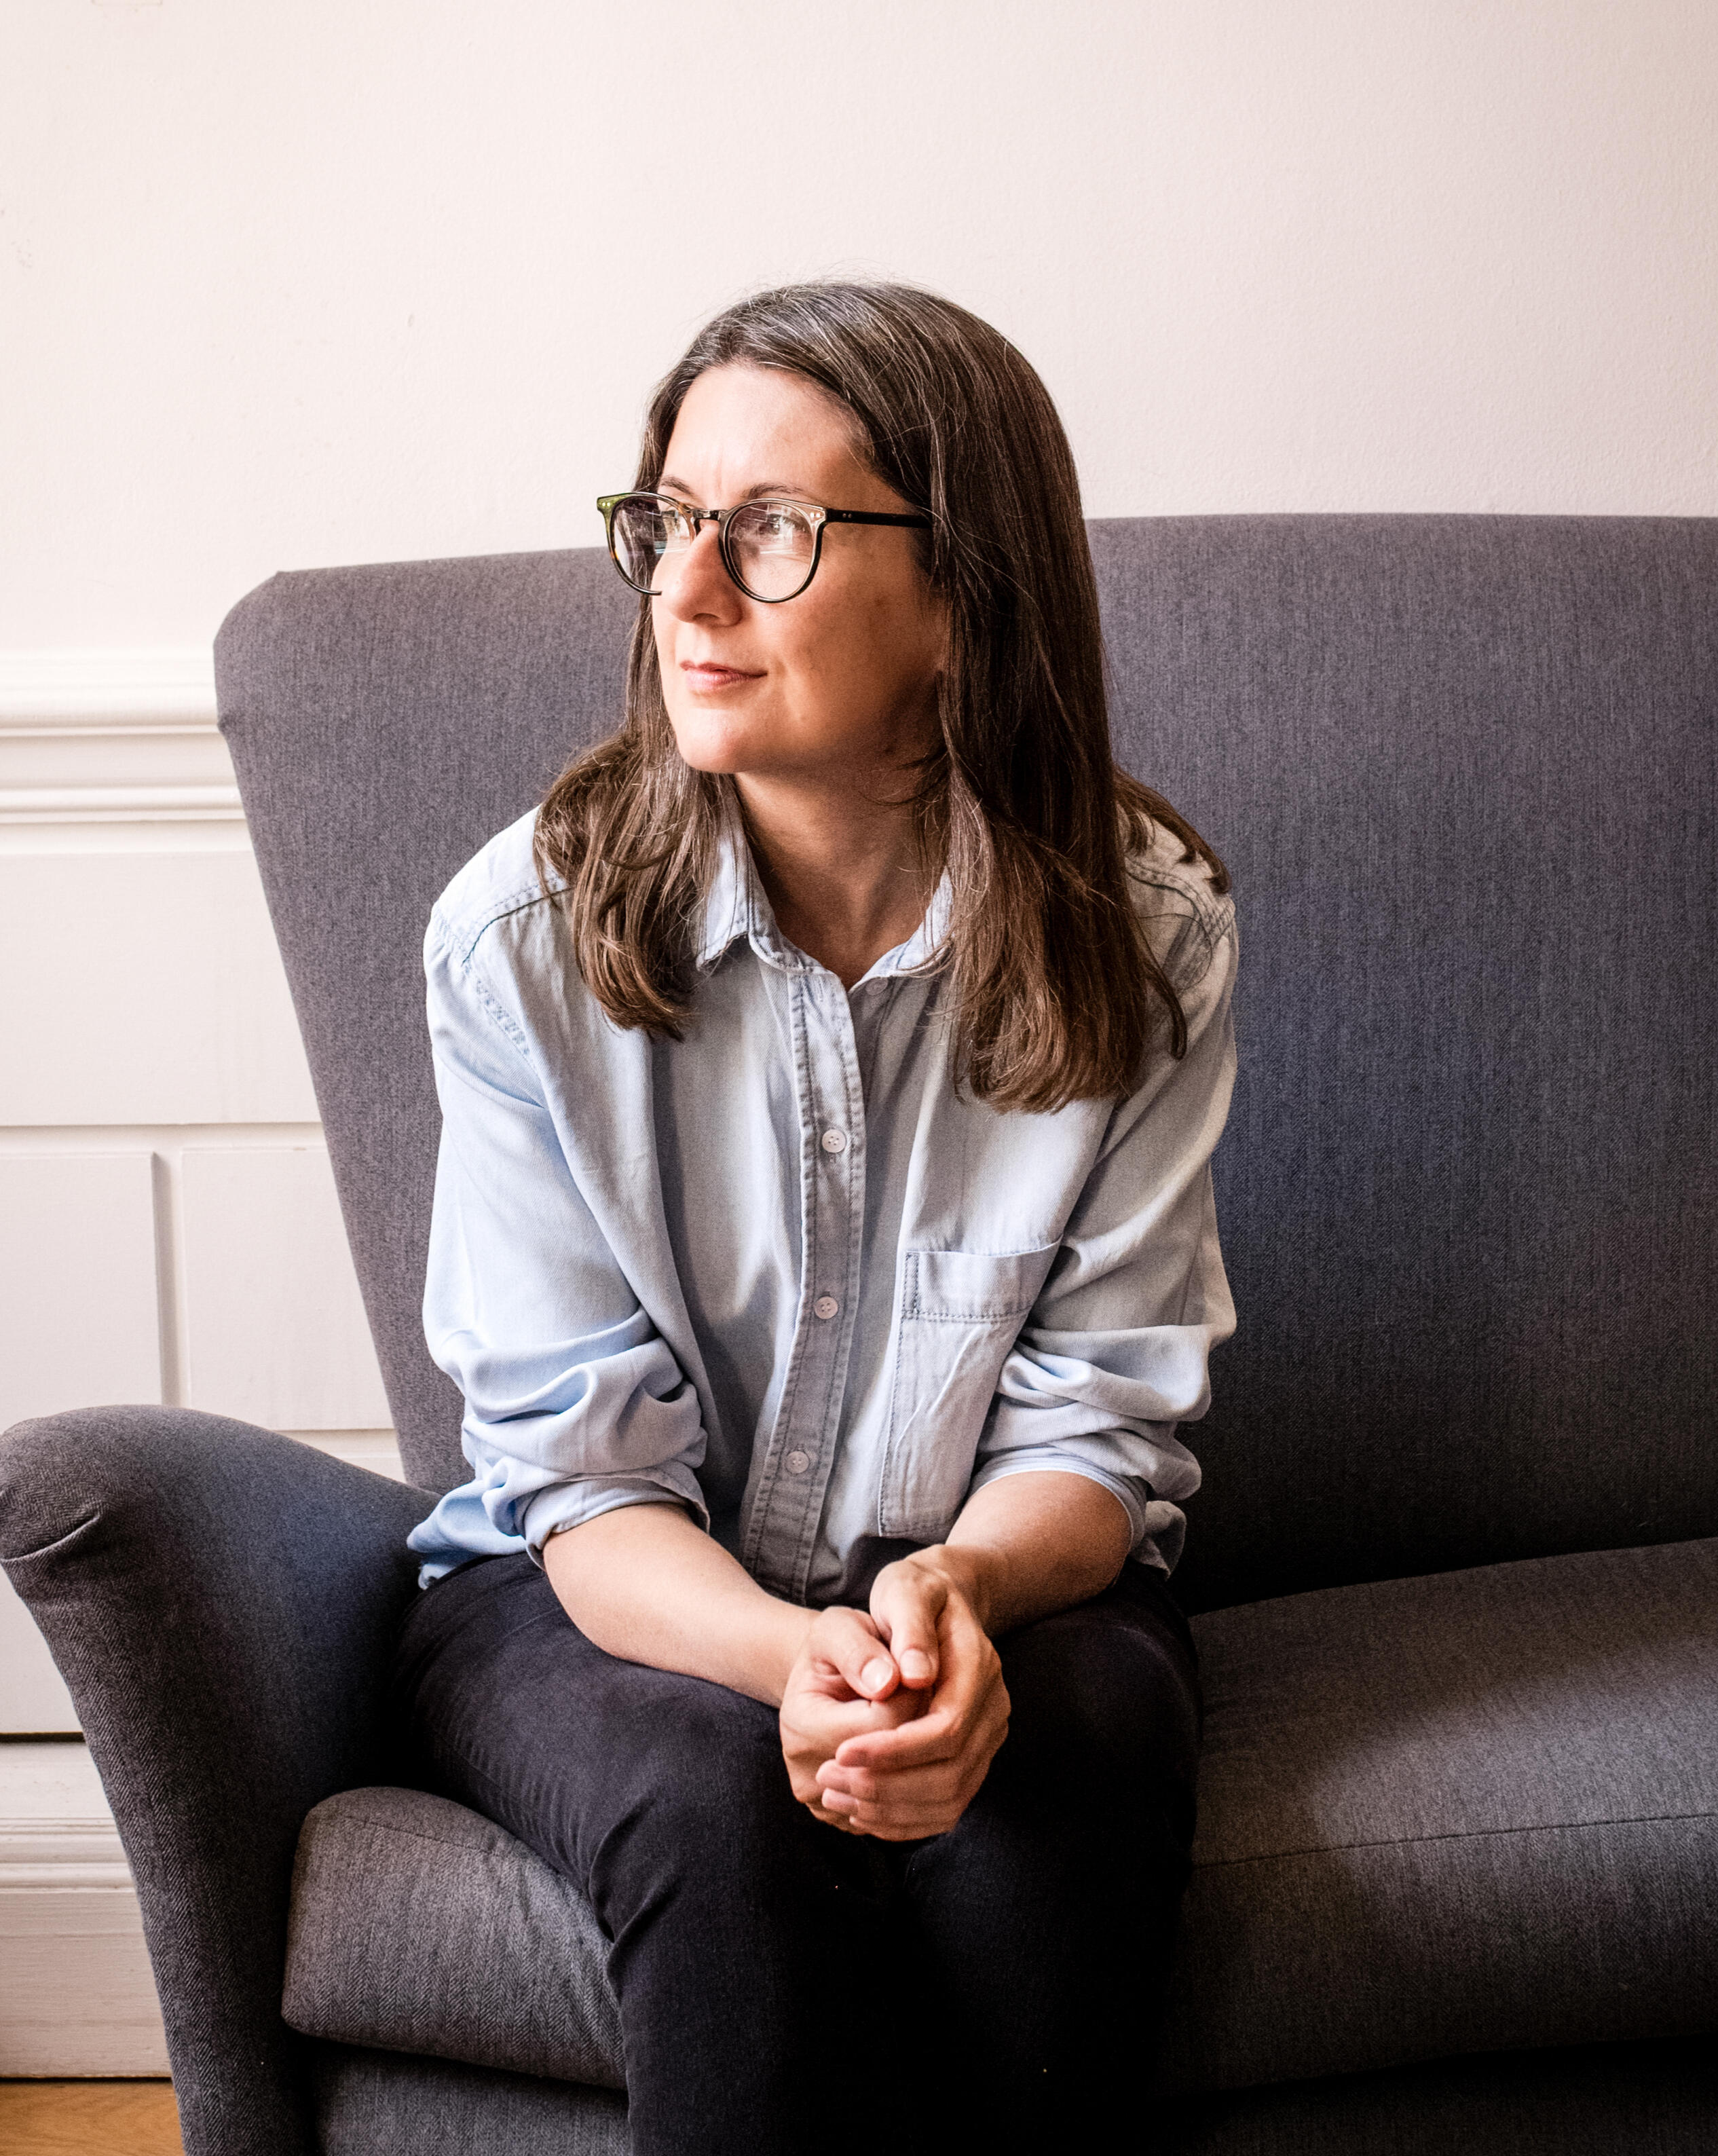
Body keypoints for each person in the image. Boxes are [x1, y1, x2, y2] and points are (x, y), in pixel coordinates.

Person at [394, 280, 1237, 2156]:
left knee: (1077, 1751)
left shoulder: (1149, 936)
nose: (686, 590)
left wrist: (954, 1597)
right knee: (717, 1804)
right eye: (667, 520)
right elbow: (581, 1481)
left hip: (983, 1571)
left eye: (767, 530)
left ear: (962, 594)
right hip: (587, 1593)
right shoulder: (518, 944)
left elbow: (1103, 1423)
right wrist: (801, 1663)